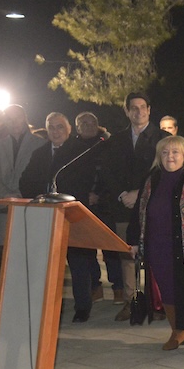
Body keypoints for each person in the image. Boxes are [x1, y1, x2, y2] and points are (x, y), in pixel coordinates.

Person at [127, 136, 184, 355]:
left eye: (175, 152)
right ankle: (178, 331)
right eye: (165, 153)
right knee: (166, 289)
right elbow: (139, 211)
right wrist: (134, 241)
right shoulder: (151, 179)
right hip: (158, 246)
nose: (170, 157)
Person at [19, 113, 100, 322]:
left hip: (72, 214)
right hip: (45, 215)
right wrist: (39, 197)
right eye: (51, 127)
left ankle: (82, 308)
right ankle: (45, 307)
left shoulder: (80, 151)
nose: (55, 131)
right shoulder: (39, 153)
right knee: (46, 265)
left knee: (78, 263)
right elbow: (25, 181)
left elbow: (89, 180)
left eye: (60, 127)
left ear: (69, 129)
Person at [101, 91, 170, 321]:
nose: (138, 111)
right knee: (127, 256)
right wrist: (123, 194)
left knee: (155, 254)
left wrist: (140, 194)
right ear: (127, 111)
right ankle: (131, 302)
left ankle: (157, 303)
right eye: (134, 108)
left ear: (149, 110)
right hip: (124, 206)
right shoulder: (116, 140)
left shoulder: (162, 138)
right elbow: (108, 172)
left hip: (154, 205)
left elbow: (165, 172)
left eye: (142, 107)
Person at [0, 104, 45, 286]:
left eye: (17, 118)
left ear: (24, 118)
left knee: (29, 253)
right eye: (9, 119)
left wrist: (20, 196)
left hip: (29, 207)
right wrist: (7, 195)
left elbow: (40, 176)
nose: (13, 122)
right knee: (5, 254)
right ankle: (8, 292)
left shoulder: (40, 144)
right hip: (4, 208)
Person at [76, 111, 121, 304]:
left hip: (106, 204)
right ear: (77, 127)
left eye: (91, 122)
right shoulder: (73, 147)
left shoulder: (108, 144)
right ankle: (95, 286)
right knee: (87, 249)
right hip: (82, 204)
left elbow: (114, 176)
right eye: (83, 123)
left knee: (110, 248)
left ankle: (118, 287)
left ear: (97, 124)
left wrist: (99, 195)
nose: (87, 126)